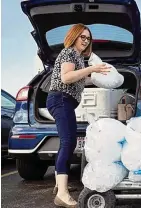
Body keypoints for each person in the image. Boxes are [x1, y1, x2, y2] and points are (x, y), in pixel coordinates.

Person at [46, 23, 110, 207]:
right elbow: (66, 78)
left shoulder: (79, 59)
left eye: (88, 38)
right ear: (73, 36)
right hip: (61, 99)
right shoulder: (69, 52)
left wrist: (101, 75)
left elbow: (80, 78)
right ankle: (63, 195)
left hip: (64, 101)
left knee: (65, 143)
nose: (85, 40)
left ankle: (60, 186)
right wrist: (91, 69)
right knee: (68, 142)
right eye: (82, 36)